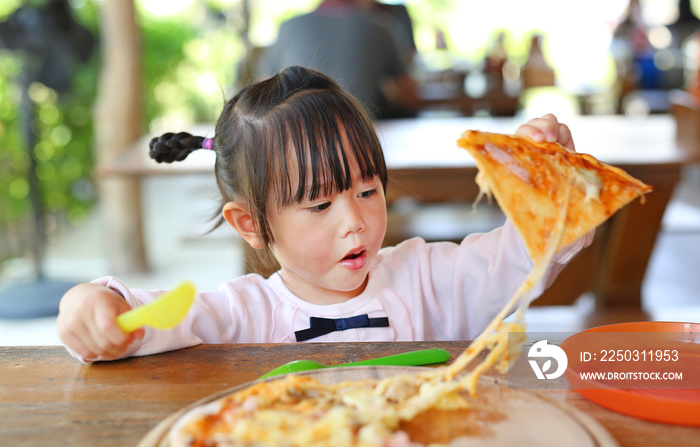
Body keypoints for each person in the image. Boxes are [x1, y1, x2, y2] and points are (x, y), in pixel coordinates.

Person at [57, 66, 590, 363]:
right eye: (318, 204)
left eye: (367, 190)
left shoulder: (431, 280)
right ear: (251, 224)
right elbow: (152, 319)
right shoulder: (245, 313)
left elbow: (530, 249)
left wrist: (545, 177)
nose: (353, 222)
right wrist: (92, 306)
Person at [255, 0, 419, 119]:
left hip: (296, 137)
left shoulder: (288, 26)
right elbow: (409, 97)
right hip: (361, 136)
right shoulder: (382, 26)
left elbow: (262, 90)